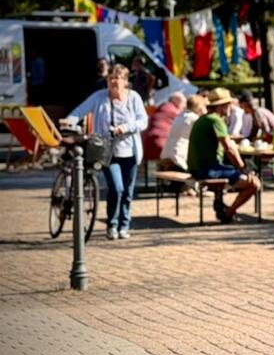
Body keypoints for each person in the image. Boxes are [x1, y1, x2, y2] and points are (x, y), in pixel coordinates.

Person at [67, 64, 149, 240]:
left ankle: (124, 225)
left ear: (125, 81)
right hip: (106, 152)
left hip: (130, 151)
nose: (113, 82)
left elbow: (143, 121)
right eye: (110, 78)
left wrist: (125, 127)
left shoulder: (134, 98)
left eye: (117, 78)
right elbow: (80, 111)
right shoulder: (99, 97)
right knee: (116, 188)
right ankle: (112, 225)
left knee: (127, 191)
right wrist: (68, 122)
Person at [186, 88, 262, 223]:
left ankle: (222, 206)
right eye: (228, 105)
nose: (231, 108)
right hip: (207, 169)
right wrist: (244, 168)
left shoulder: (203, 119)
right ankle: (228, 213)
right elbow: (230, 149)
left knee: (236, 174)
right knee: (254, 184)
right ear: (221, 107)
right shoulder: (215, 120)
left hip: (198, 167)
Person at [160, 94, 208, 172]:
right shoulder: (194, 118)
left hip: (167, 153)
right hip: (180, 157)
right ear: (200, 107)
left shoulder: (181, 115)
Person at [143, 91, 185, 161]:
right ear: (179, 102)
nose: (184, 106)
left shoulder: (161, 107)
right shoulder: (174, 111)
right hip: (162, 146)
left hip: (148, 146)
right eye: (183, 104)